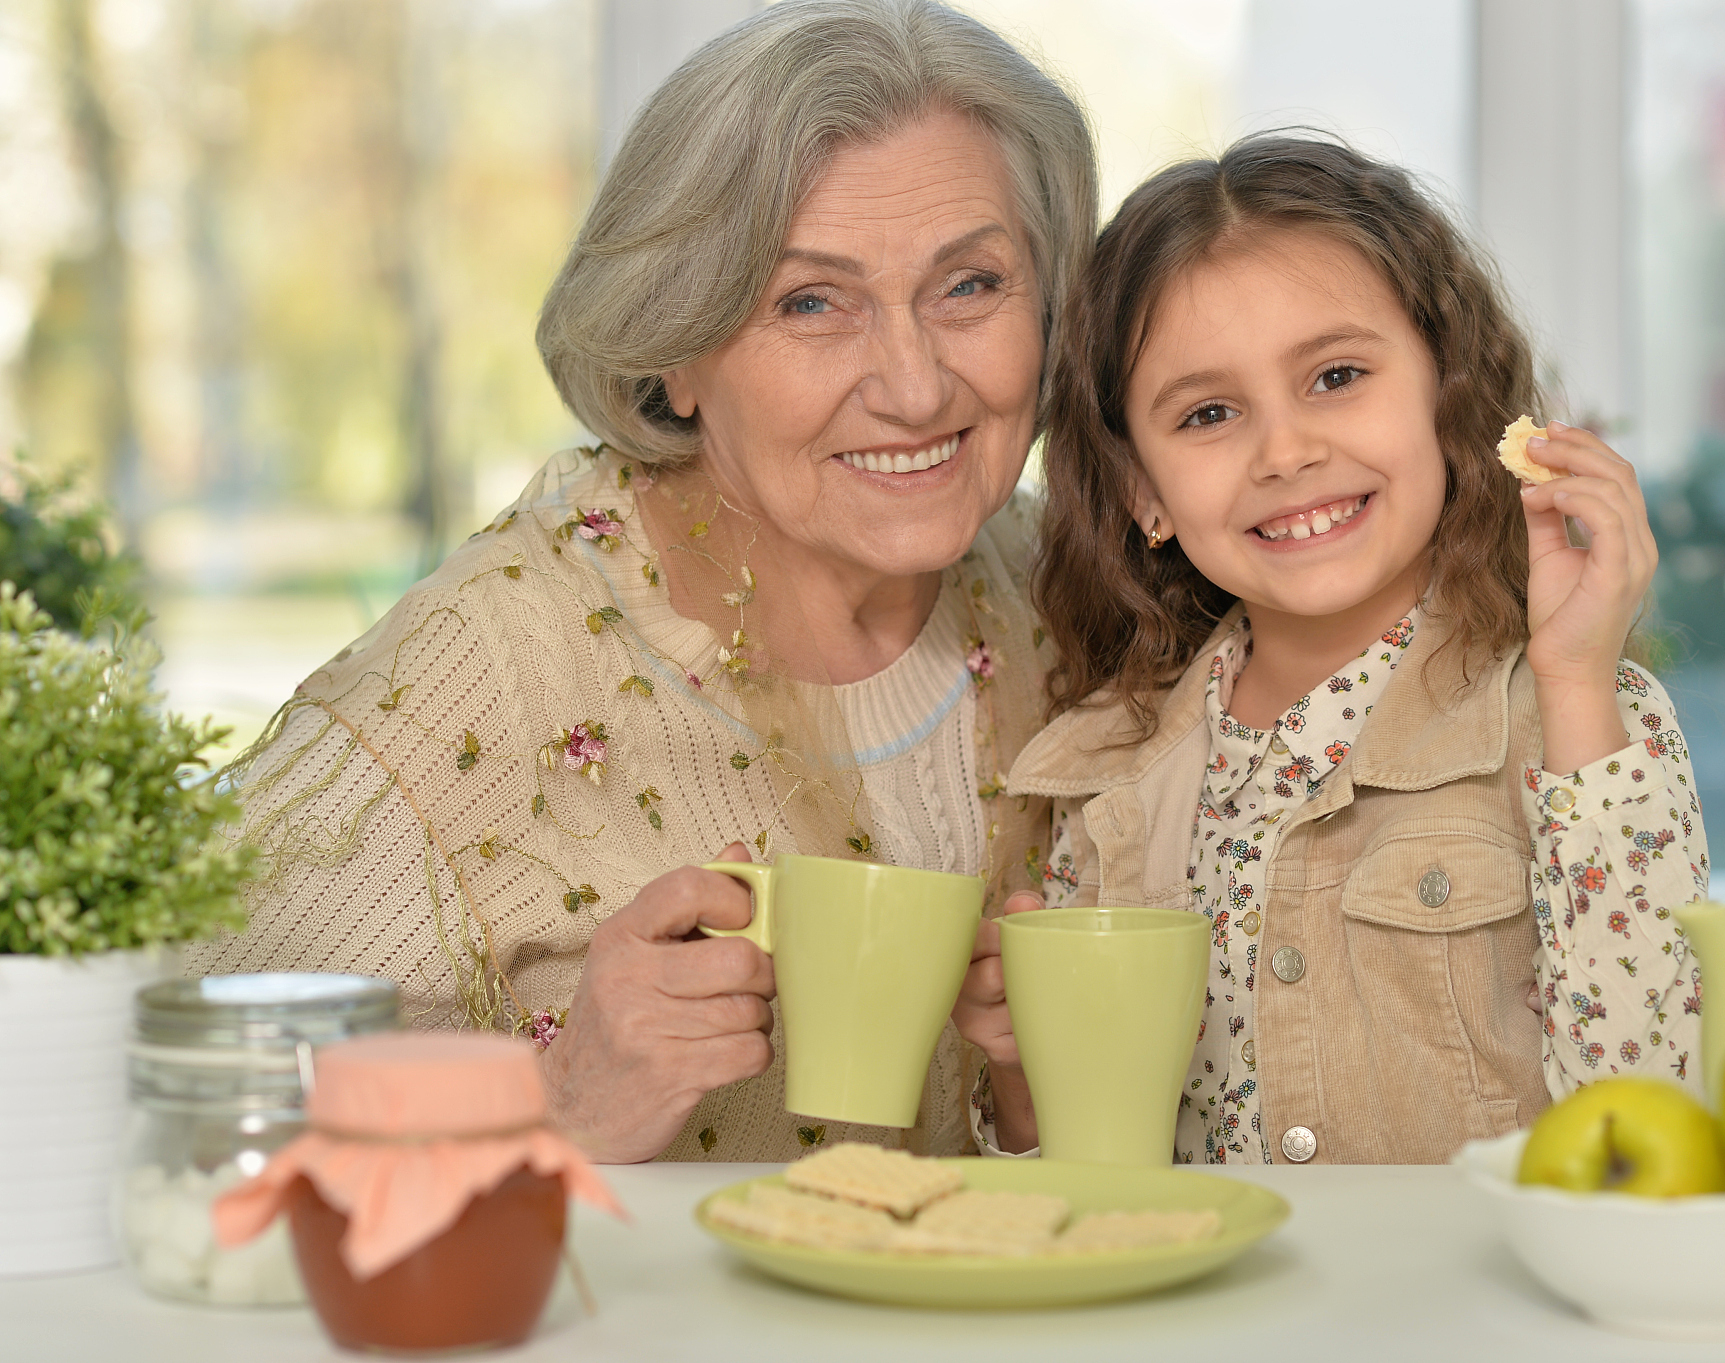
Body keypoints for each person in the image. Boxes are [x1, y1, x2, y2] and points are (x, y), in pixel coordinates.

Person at [191, 0, 1096, 1163]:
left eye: (969, 284)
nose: (915, 388)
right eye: (809, 302)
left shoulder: (1064, 595)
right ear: (675, 345)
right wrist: (557, 1111)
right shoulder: (496, 663)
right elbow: (166, 1123)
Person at [954, 136, 1707, 1164]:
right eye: (1209, 413)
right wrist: (1019, 1080)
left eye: (1335, 375)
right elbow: (1078, 1187)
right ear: (1143, 494)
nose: (1285, 452)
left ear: (1445, 394)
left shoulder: (1580, 717)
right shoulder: (1105, 779)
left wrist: (1575, 677)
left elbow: (1651, 1116)